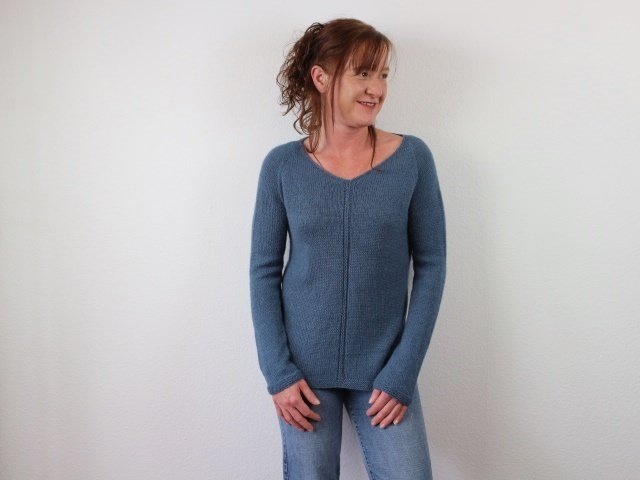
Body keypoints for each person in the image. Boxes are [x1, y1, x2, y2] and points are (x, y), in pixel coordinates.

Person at [249, 18, 446, 480]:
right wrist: (278, 374)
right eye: (363, 73)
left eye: (382, 75)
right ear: (321, 77)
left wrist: (403, 370)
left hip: (385, 372)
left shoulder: (413, 159)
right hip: (302, 378)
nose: (376, 88)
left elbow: (432, 265)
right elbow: (263, 272)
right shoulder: (282, 167)